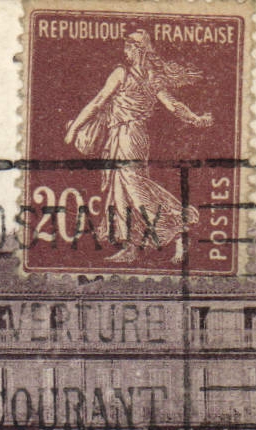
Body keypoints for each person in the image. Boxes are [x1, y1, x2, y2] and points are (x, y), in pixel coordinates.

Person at [64, 28, 213, 263]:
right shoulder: (153, 77)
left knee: (134, 188)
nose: (125, 51)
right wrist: (195, 118)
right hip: (134, 136)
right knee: (122, 189)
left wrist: (74, 129)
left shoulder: (121, 73)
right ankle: (131, 247)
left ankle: (178, 227)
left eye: (128, 46)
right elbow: (174, 106)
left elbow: (98, 102)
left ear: (137, 49)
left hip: (126, 135)